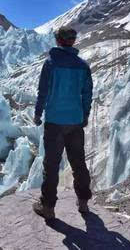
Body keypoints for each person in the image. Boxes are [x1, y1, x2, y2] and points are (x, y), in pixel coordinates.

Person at [32, 26, 93, 220]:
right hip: (75, 121)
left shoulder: (50, 63)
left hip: (55, 121)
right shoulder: (83, 66)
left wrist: (38, 113)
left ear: (58, 40)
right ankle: (83, 202)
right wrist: (84, 115)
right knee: (78, 162)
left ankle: (48, 206)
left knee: (51, 165)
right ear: (73, 41)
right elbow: (87, 94)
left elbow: (43, 91)